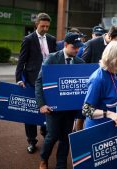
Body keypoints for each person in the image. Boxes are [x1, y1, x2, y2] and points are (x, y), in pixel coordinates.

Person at [35, 32, 85, 169]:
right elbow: (39, 82)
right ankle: (43, 159)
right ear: (65, 45)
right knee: (52, 136)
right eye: (74, 47)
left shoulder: (80, 62)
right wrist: (41, 104)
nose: (77, 50)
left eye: (78, 47)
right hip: (52, 107)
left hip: (70, 108)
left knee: (65, 137)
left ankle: (61, 164)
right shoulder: (51, 59)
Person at [15, 12, 56, 154]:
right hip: (32, 81)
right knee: (31, 112)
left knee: (47, 109)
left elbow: (55, 59)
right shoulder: (28, 39)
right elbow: (21, 61)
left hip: (48, 81)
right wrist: (19, 79)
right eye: (42, 26)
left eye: (47, 26)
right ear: (36, 24)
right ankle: (31, 141)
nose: (45, 28)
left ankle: (45, 131)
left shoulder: (51, 39)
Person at [81, 41, 117, 128]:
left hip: (110, 126)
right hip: (97, 129)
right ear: (114, 58)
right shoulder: (98, 79)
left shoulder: (113, 73)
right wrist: (110, 114)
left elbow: (114, 102)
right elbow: (86, 110)